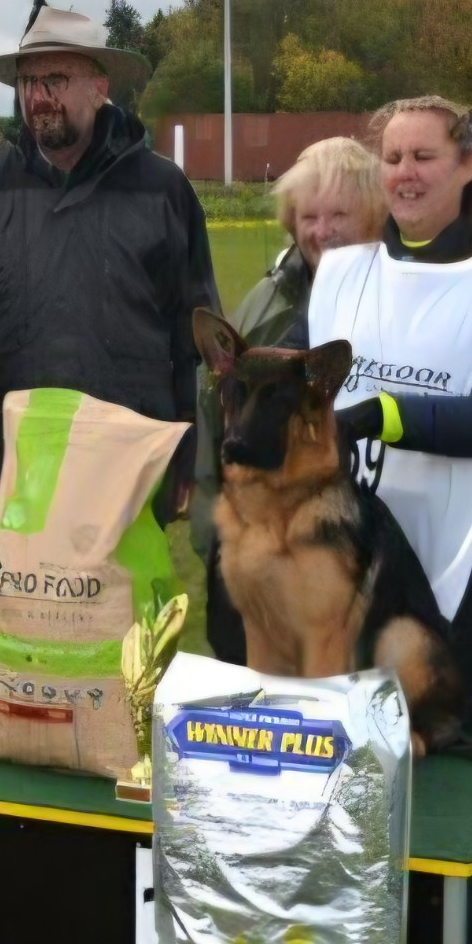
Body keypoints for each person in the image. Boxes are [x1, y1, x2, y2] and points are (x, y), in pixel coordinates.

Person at [0, 5, 221, 599]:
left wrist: (188, 459)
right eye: (29, 83)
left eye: (55, 81)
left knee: (124, 649)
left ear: (99, 86)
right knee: (26, 652)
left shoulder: (163, 190)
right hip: (10, 471)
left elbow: (194, 340)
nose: (38, 98)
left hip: (128, 467)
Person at [308, 96, 472, 737]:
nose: (404, 172)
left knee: (448, 750)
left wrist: (385, 414)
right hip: (344, 548)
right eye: (391, 158)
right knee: (344, 743)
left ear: (467, 165)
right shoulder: (336, 273)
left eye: (423, 156)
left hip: (461, 546)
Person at [192, 137, 388, 663]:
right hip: (255, 541)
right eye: (308, 216)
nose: (321, 231)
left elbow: (466, 380)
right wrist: (211, 526)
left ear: (375, 214)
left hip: (367, 544)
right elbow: (217, 410)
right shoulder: (268, 299)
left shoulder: (408, 292)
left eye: (338, 214)